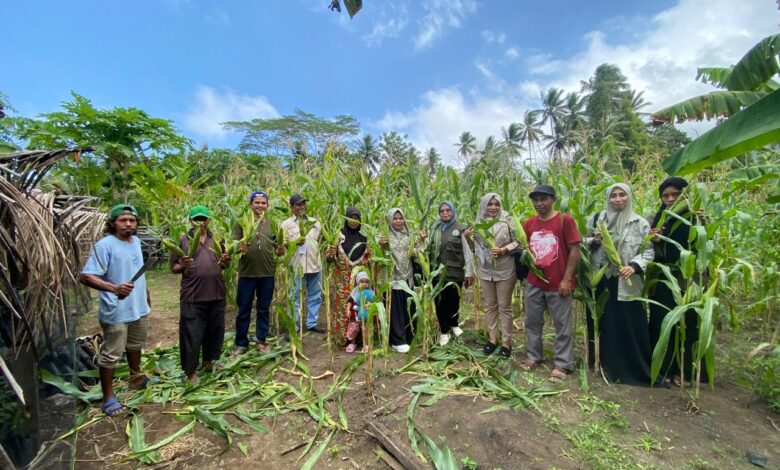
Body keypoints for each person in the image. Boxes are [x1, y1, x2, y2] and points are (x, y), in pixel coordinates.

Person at [80, 204, 151, 416]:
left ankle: (135, 377)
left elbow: (137, 271)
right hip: (117, 309)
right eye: (123, 220)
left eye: (132, 220)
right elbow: (86, 276)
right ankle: (108, 396)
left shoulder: (136, 241)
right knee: (112, 353)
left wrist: (145, 293)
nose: (129, 224)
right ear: (113, 223)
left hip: (138, 306)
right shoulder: (105, 245)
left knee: (135, 345)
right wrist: (113, 288)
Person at [585, 183, 655, 385]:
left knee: (627, 323)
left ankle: (628, 368)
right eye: (613, 196)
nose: (617, 199)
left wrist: (634, 265)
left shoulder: (640, 223)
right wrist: (593, 241)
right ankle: (600, 363)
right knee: (602, 322)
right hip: (601, 280)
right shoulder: (597, 219)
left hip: (626, 281)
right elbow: (583, 242)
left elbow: (648, 251)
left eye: (622, 195)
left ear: (629, 197)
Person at [648, 177, 708, 386]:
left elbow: (704, 249)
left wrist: (703, 225)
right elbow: (650, 252)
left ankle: (684, 371)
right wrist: (654, 240)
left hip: (689, 279)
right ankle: (662, 369)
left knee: (688, 324)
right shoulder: (656, 219)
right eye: (665, 196)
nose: (670, 199)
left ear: (684, 195)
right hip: (665, 278)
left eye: (675, 194)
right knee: (662, 323)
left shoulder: (696, 218)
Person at [521, 185, 582, 381]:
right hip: (534, 282)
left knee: (562, 324)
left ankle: (563, 363)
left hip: (558, 283)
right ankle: (534, 356)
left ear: (553, 200)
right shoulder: (529, 224)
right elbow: (524, 249)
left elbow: (575, 250)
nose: (539, 203)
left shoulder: (565, 220)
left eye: (543, 199)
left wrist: (567, 279)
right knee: (532, 321)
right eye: (535, 200)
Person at [170, 206, 230, 383]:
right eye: (196, 219)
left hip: (217, 293)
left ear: (208, 220)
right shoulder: (182, 240)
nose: (200, 223)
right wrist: (182, 264)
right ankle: (190, 371)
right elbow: (173, 267)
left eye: (203, 219)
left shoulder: (217, 239)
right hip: (193, 296)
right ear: (190, 221)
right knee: (192, 333)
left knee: (215, 331)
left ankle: (209, 361)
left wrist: (226, 260)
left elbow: (224, 264)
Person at [233, 191, 284, 356]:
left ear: (267, 205)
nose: (260, 206)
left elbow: (278, 250)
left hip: (267, 273)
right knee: (244, 310)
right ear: (251, 204)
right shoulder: (241, 222)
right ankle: (241, 343)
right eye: (257, 203)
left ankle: (260, 340)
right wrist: (239, 247)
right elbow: (233, 246)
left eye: (263, 203)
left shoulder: (272, 224)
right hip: (247, 273)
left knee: (263, 309)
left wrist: (281, 249)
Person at [470, 193, 519, 359]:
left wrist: (504, 249)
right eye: (490, 204)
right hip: (485, 270)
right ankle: (492, 339)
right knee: (490, 305)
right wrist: (466, 238)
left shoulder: (508, 220)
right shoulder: (479, 222)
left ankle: (506, 342)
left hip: (505, 269)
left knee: (504, 306)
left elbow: (518, 241)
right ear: (484, 205)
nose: (493, 207)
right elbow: (474, 247)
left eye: (496, 204)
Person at [427, 201, 474, 347]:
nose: (445, 213)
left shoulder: (461, 229)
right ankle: (444, 331)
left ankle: (454, 325)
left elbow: (468, 252)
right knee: (440, 303)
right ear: (439, 213)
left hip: (455, 272)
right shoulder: (434, 229)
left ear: (453, 211)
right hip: (437, 273)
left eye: (448, 210)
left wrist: (469, 273)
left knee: (454, 301)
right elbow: (428, 248)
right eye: (442, 211)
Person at [325, 207, 370, 347]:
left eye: (356, 219)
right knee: (343, 308)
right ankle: (343, 339)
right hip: (342, 282)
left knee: (360, 307)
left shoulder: (364, 239)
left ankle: (359, 339)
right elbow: (329, 259)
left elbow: (370, 260)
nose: (353, 222)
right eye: (351, 218)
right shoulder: (339, 237)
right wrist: (331, 255)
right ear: (346, 219)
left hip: (360, 284)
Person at [281, 193, 325, 333]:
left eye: (303, 204)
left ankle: (312, 323)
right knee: (294, 297)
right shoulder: (286, 225)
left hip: (315, 265)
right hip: (296, 266)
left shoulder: (315, 222)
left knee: (315, 295)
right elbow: (281, 247)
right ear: (291, 207)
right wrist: (294, 243)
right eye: (298, 204)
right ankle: (295, 326)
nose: (302, 207)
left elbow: (321, 242)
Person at [379, 208, 419, 353]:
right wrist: (380, 245)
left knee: (408, 306)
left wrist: (416, 251)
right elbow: (378, 254)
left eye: (400, 218)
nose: (398, 221)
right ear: (390, 220)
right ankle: (397, 340)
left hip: (407, 277)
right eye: (395, 218)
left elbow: (420, 250)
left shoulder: (409, 235)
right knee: (396, 309)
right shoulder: (385, 236)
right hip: (393, 278)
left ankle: (409, 336)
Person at [344, 271, 375, 353]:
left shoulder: (371, 292)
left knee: (366, 329)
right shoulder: (354, 292)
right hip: (355, 315)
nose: (364, 284)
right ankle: (352, 343)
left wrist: (370, 305)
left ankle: (366, 345)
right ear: (357, 282)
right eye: (361, 282)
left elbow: (375, 302)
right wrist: (348, 310)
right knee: (353, 328)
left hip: (366, 315)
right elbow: (350, 301)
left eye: (366, 282)